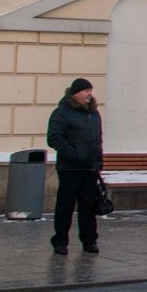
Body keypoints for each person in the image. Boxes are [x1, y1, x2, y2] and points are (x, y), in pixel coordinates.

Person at [46, 77, 104, 256]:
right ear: (75, 93)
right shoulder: (61, 113)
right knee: (65, 206)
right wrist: (74, 155)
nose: (89, 94)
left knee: (88, 206)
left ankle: (89, 241)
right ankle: (60, 241)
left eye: (90, 91)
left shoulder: (93, 113)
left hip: (89, 168)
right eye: (86, 90)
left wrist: (97, 161)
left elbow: (97, 139)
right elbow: (54, 138)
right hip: (70, 168)